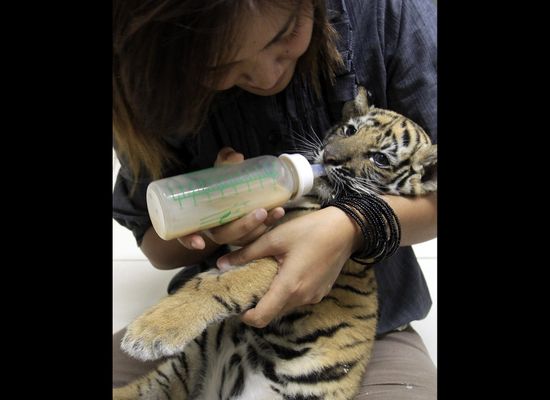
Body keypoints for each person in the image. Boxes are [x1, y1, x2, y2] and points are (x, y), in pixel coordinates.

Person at [113, 0, 437, 398]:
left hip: (365, 334)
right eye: (219, 67)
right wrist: (213, 223)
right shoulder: (150, 70)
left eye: (285, 35)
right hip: (208, 321)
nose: (267, 76)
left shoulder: (386, 12)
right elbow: (156, 246)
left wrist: (352, 224)